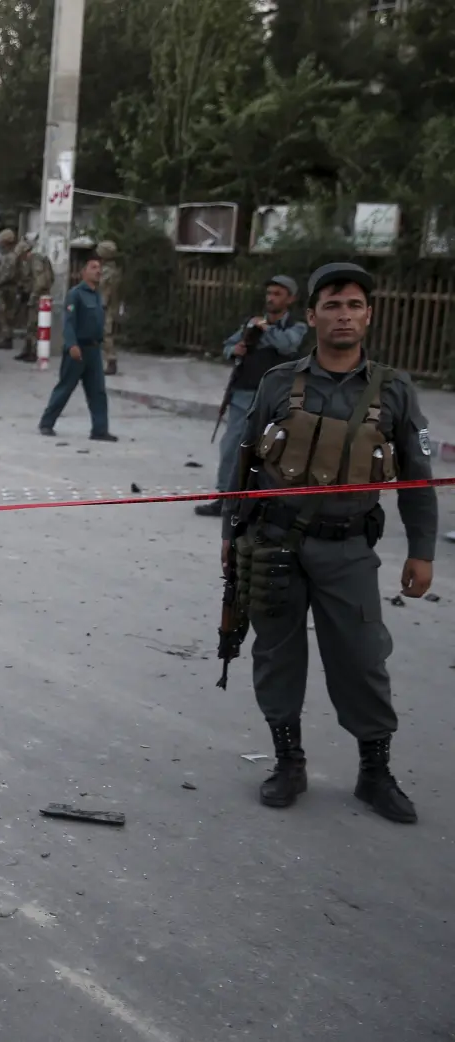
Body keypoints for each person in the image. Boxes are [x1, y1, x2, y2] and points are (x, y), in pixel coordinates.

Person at [221, 262, 437, 824]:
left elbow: (418, 474)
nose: (344, 315)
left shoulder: (394, 389)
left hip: (348, 550)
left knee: (364, 661)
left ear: (369, 315)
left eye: (355, 305)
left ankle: (374, 772)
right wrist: (230, 535)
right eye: (333, 305)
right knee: (276, 655)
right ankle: (288, 761)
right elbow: (243, 465)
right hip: (274, 546)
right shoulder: (277, 383)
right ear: (311, 315)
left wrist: (423, 550)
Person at [195, 275, 307, 517]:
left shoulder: (296, 326)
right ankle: (225, 497)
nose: (271, 298)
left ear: (291, 299)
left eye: (278, 294)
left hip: (277, 396)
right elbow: (228, 346)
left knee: (271, 449)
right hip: (244, 393)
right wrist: (234, 350)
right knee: (232, 445)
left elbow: (288, 346)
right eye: (269, 293)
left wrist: (266, 329)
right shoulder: (252, 324)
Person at [38, 254, 115, 441]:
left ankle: (99, 430)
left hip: (93, 350)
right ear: (84, 272)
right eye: (93, 267)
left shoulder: (97, 294)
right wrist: (71, 344)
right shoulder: (75, 294)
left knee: (97, 391)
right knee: (65, 388)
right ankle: (46, 423)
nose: (98, 271)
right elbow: (69, 322)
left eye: (99, 268)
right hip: (77, 349)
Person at [16, 239, 54, 363]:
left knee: (34, 324)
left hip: (38, 297)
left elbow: (40, 280)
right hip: (34, 295)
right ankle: (27, 350)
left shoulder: (35, 260)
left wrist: (34, 295)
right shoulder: (33, 260)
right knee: (29, 324)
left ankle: (33, 351)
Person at [96, 240, 123, 375]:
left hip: (105, 306)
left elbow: (105, 290)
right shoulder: (111, 269)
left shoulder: (108, 272)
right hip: (107, 305)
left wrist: (100, 306)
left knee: (106, 334)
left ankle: (111, 361)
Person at [0, 228, 21, 350]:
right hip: (7, 287)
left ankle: (6, 338)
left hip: (8, 288)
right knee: (4, 314)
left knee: (5, 314)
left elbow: (8, 274)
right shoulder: (6, 255)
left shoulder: (11, 257)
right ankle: (5, 337)